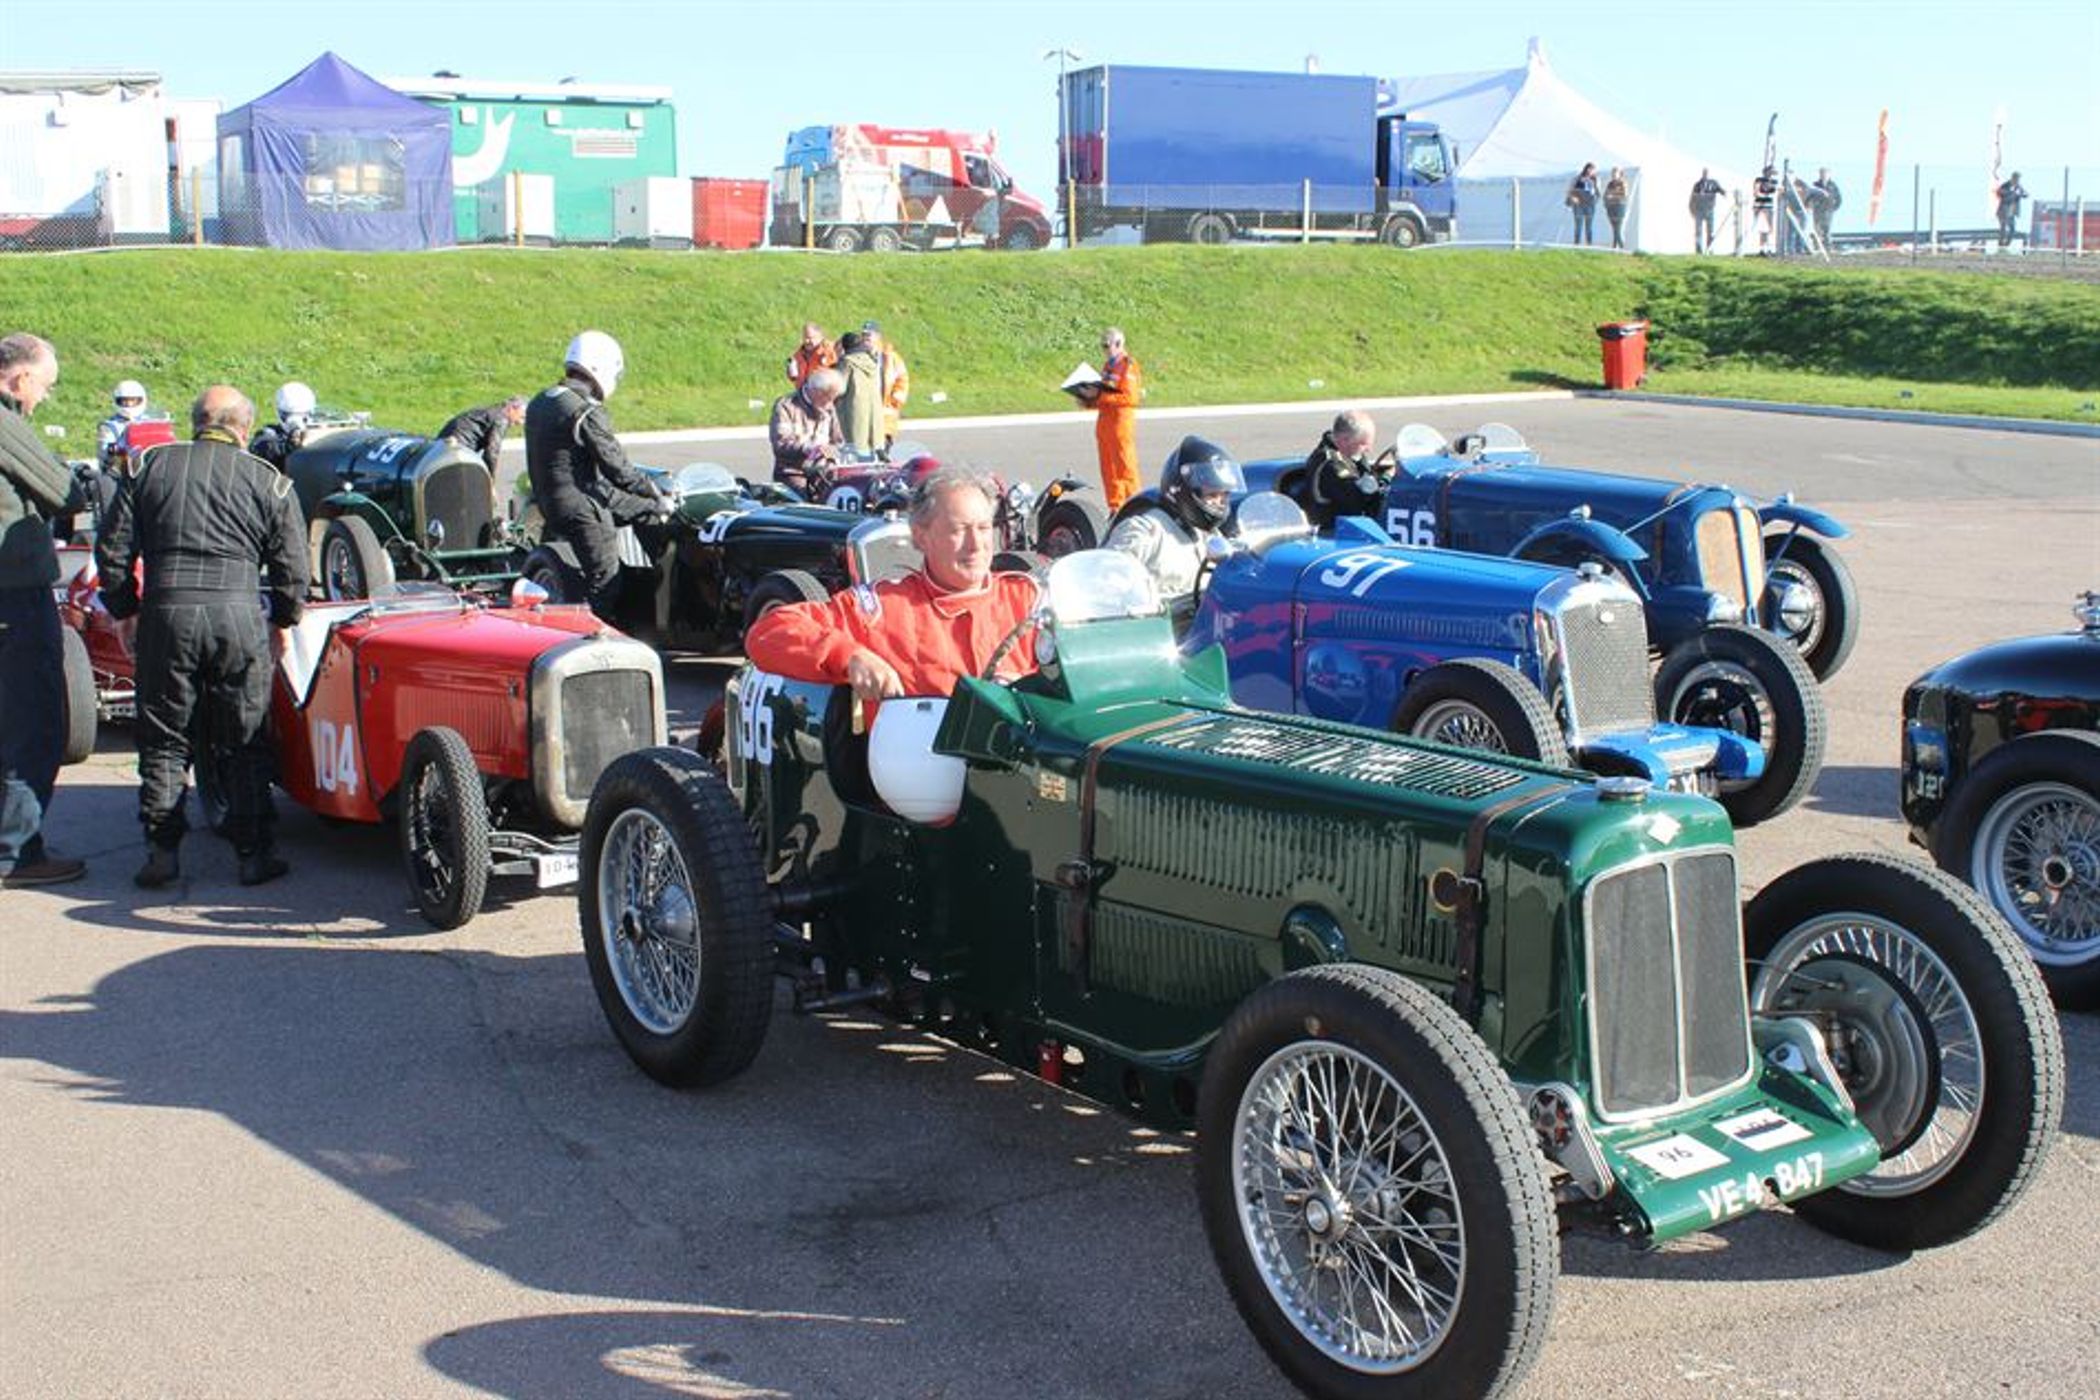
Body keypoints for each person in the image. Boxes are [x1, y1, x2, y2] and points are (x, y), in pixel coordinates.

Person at [95, 385, 308, 888]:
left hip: (166, 612)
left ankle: (161, 851)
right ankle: (253, 853)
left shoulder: (148, 467)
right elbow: (293, 568)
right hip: (237, 615)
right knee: (245, 738)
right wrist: (282, 621)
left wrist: (124, 611)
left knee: (164, 737)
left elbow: (113, 550)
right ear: (244, 429)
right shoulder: (269, 481)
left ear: (197, 423)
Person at [744, 466, 1037, 704]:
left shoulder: (1030, 599)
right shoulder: (883, 608)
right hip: (914, 754)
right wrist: (849, 656)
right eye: (958, 530)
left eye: (983, 528)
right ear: (921, 537)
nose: (975, 545)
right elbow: (768, 632)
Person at [0, 332, 86, 886]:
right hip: (14, 593)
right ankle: (16, 853)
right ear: (21, 377)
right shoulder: (5, 424)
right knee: (33, 721)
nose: (44, 398)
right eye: (45, 386)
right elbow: (65, 491)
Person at [523, 331, 671, 619]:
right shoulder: (584, 410)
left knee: (646, 511)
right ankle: (598, 631)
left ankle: (656, 590)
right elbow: (618, 469)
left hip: (550, 501)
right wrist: (656, 493)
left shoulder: (542, 400)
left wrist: (648, 502)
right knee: (606, 579)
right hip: (581, 504)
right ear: (600, 367)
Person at [1104, 435, 1245, 628]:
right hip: (1157, 635)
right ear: (1183, 490)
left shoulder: (1209, 535)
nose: (1220, 503)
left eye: (1224, 495)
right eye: (1212, 495)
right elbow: (1106, 581)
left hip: (1202, 630)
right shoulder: (1146, 530)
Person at [1075, 326, 1143, 511]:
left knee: (1125, 467)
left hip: (1120, 424)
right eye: (1102, 346)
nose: (1105, 350)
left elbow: (1130, 398)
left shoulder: (1128, 365)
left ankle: (1136, 505)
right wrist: (1088, 400)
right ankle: (1115, 506)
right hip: (1105, 423)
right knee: (1108, 468)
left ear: (1119, 344)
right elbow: (1103, 394)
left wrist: (1101, 398)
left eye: (1107, 346)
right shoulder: (1108, 366)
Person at [1299, 409, 1382, 530]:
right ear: (1344, 440)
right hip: (1335, 531)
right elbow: (1357, 503)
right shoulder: (1331, 464)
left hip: (1352, 525)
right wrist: (1385, 480)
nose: (1369, 450)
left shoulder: (1350, 454)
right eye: (1363, 444)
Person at [768, 367, 845, 495]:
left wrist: (833, 452)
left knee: (842, 490)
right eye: (828, 397)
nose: (830, 403)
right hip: (792, 472)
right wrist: (810, 449)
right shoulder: (786, 406)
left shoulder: (829, 407)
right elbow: (780, 444)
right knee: (801, 495)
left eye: (833, 399)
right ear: (815, 391)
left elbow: (838, 441)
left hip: (823, 471)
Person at [436, 395, 526, 475]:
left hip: (444, 442)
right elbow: (492, 453)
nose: (521, 423)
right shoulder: (502, 419)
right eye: (522, 417)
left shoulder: (491, 410)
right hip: (459, 446)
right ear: (511, 408)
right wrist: (490, 479)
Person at [833, 331, 883, 454]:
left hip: (853, 408)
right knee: (872, 445)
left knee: (855, 446)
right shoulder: (871, 361)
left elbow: (839, 387)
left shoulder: (847, 362)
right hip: (874, 408)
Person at [248, 381, 316, 470]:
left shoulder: (318, 431)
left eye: (304, 416)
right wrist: (288, 446)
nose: (296, 422)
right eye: (288, 415)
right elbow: (262, 448)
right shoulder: (269, 436)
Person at [864, 321, 910, 448]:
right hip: (866, 408)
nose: (865, 338)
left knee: (883, 445)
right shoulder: (860, 357)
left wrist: (896, 399)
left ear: (878, 336)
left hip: (885, 409)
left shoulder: (891, 357)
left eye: (869, 335)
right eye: (864, 335)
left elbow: (902, 378)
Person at [96, 379, 152, 467]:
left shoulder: (150, 420)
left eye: (133, 400)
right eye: (125, 401)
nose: (129, 404)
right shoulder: (110, 426)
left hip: (150, 462)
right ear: (117, 401)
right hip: (123, 466)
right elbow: (105, 454)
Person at [785, 322, 837, 388]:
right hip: (803, 391)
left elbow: (838, 373)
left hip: (824, 391)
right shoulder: (798, 355)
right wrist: (790, 373)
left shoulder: (830, 351)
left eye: (810, 338)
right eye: (805, 338)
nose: (807, 341)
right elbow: (793, 378)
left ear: (820, 337)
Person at [1689, 168, 1725, 254]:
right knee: (1698, 231)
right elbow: (1693, 198)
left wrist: (1724, 193)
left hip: (1710, 210)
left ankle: (1710, 249)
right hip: (1699, 211)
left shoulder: (1713, 183)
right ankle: (1698, 249)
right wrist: (1692, 210)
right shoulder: (1697, 184)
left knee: (1710, 231)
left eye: (1706, 173)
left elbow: (1720, 190)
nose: (1705, 174)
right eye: (1704, 173)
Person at [1565, 162, 1599, 246]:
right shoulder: (1578, 178)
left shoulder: (1595, 180)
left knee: (1589, 227)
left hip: (1590, 205)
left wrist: (1594, 199)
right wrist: (1573, 198)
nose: (1591, 171)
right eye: (1590, 169)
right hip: (1579, 205)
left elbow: (1598, 194)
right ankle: (1577, 244)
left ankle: (1589, 245)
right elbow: (1570, 190)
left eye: (1593, 170)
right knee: (1578, 226)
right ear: (1586, 169)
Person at [1810, 168, 1842, 247]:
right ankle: (1817, 246)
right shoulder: (1815, 185)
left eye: (1825, 174)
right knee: (1817, 229)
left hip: (1828, 211)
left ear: (1829, 175)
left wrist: (1833, 208)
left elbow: (1839, 199)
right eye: (1822, 173)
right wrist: (1809, 205)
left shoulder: (1833, 185)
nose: (1823, 175)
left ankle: (1827, 246)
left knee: (1827, 229)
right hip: (1817, 211)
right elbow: (1810, 196)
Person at [1752, 166, 1780, 255]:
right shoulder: (1759, 180)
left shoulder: (1774, 181)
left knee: (1769, 228)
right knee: (1762, 228)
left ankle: (1768, 248)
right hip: (1760, 206)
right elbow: (1756, 192)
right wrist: (1764, 196)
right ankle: (1762, 249)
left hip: (1769, 206)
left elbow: (1777, 191)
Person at [1995, 172, 2027, 249]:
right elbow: (1999, 192)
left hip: (2012, 211)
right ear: (2013, 178)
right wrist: (2009, 193)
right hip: (2003, 210)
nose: (2017, 180)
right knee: (2003, 227)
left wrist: (2021, 194)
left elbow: (2025, 194)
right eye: (2016, 178)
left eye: (2018, 179)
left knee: (2012, 228)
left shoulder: (2018, 187)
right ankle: (2001, 244)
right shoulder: (2006, 185)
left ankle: (2007, 244)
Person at [1603, 167, 1630, 250]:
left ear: (1619, 174)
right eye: (1612, 173)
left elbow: (1624, 194)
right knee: (1614, 228)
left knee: (1617, 228)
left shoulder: (1623, 183)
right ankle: (1614, 247)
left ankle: (1622, 247)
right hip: (1610, 207)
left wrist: (1612, 196)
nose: (1613, 175)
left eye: (1615, 173)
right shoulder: (1610, 183)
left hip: (1619, 206)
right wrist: (1606, 200)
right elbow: (1605, 194)